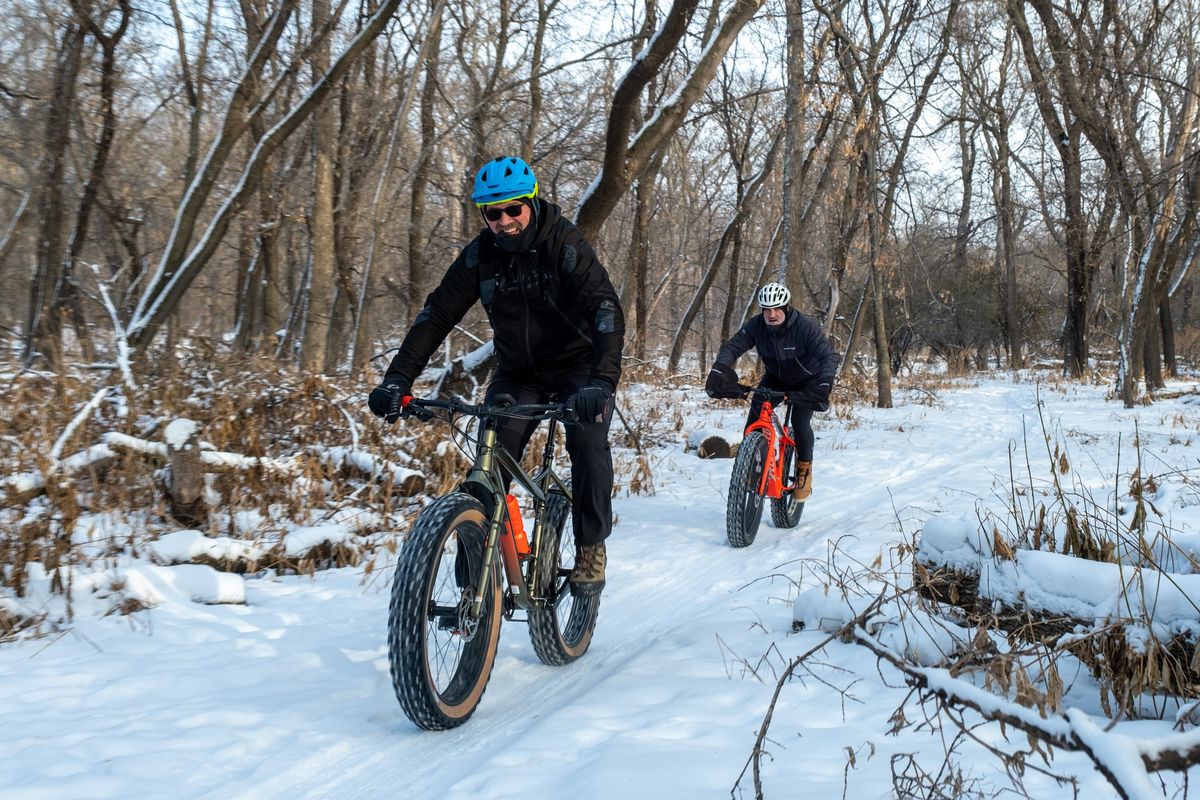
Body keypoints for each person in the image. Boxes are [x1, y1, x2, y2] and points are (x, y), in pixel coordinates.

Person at [368, 156, 624, 597]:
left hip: (578, 367)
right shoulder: (480, 256)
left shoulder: (564, 244)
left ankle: (590, 545)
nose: (503, 221)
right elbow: (436, 315)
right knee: (489, 458)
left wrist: (601, 382)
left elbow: (605, 309)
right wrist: (397, 380)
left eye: (512, 209)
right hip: (518, 371)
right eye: (492, 212)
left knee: (586, 440)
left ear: (531, 203)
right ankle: (476, 585)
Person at [705, 282, 839, 501]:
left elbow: (829, 357)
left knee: (799, 422)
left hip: (808, 381)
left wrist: (823, 384)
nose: (771, 314)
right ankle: (752, 466)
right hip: (776, 378)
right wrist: (720, 370)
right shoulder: (757, 326)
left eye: (777, 308)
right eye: (767, 309)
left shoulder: (804, 327)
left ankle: (804, 469)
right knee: (754, 422)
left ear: (786, 308)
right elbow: (732, 347)